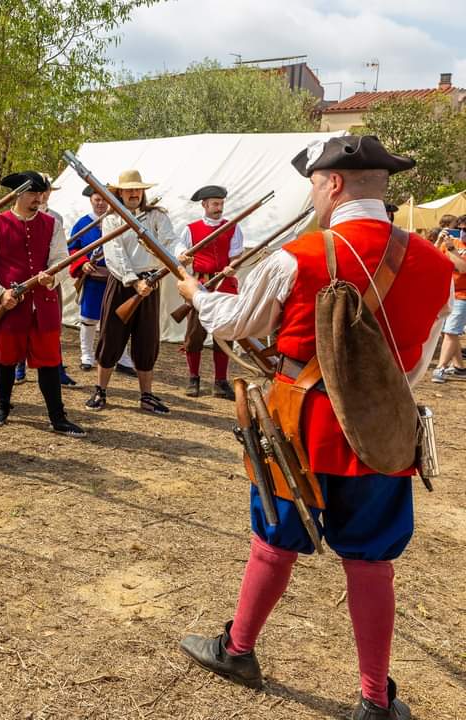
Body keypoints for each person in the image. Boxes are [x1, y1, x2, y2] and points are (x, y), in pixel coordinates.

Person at [176, 135, 452, 719]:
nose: (312, 194)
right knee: (372, 558)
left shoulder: (296, 256)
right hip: (382, 432)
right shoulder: (435, 265)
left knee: (275, 537)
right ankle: (375, 700)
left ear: (332, 184)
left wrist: (196, 294)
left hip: (300, 426)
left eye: (313, 184)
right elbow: (418, 367)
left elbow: (235, 321)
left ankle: (238, 650)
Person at [0, 170, 85, 436]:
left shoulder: (51, 224)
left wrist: (50, 277)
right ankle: (2, 407)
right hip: (8, 304)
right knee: (5, 358)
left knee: (48, 360)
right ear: (19, 194)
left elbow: (59, 259)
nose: (38, 197)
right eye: (33, 192)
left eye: (40, 193)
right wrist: (0, 294)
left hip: (42, 303)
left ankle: (57, 417)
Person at [85, 169, 175, 415]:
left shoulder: (157, 216)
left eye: (137, 189)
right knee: (111, 337)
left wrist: (177, 257)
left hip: (151, 280)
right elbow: (115, 255)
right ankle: (100, 390)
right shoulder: (112, 220)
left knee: (147, 340)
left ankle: (146, 395)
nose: (134, 193)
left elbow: (169, 242)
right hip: (123, 283)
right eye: (129, 190)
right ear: (120, 193)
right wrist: (134, 282)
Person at [173, 185, 243, 400]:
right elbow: (178, 252)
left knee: (223, 334)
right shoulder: (190, 229)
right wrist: (183, 259)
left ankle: (220, 382)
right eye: (214, 204)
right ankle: (193, 378)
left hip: (224, 285)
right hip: (202, 284)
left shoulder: (232, 227)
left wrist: (233, 267)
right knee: (195, 335)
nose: (218, 208)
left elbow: (236, 256)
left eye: (221, 204)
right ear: (204, 205)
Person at [19, 176, 77, 387]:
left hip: (49, 279)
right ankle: (19, 367)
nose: (42, 194)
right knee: (18, 324)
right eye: (37, 191)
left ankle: (56, 368)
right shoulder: (17, 215)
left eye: (46, 190)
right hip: (22, 280)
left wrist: (52, 275)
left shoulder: (56, 218)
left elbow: (60, 253)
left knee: (52, 326)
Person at [68, 185, 111, 370]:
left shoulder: (117, 221)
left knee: (115, 319)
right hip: (93, 278)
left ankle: (119, 356)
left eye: (104, 199)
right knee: (88, 318)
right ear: (91, 201)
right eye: (97, 199)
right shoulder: (82, 223)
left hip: (115, 278)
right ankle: (87, 355)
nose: (100, 203)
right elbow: (72, 248)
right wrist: (83, 262)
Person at [431, 220, 466, 382]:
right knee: (448, 331)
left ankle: (441, 367)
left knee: (451, 331)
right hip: (446, 293)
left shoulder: (453, 246)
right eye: (458, 229)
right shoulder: (450, 242)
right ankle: (459, 367)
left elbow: (463, 268)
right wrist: (439, 241)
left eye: (464, 229)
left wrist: (452, 249)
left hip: (462, 296)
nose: (461, 232)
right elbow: (432, 258)